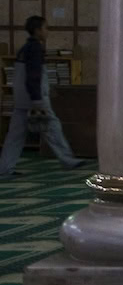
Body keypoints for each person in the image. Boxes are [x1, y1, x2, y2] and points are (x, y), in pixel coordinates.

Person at [0, 15, 83, 177]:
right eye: (46, 28)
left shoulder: (25, 48)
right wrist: (37, 99)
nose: (47, 31)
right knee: (52, 127)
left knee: (15, 135)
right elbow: (34, 76)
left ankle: (4, 168)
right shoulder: (36, 48)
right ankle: (67, 159)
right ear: (38, 31)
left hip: (22, 98)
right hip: (35, 98)